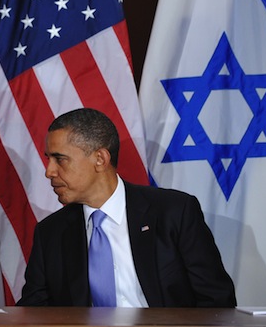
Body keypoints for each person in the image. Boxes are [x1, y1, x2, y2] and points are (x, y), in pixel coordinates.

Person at [17, 108, 236, 307]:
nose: (49, 171)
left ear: (100, 159)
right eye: (49, 159)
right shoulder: (51, 233)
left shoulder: (174, 212)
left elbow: (216, 301)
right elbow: (34, 311)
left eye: (60, 159)